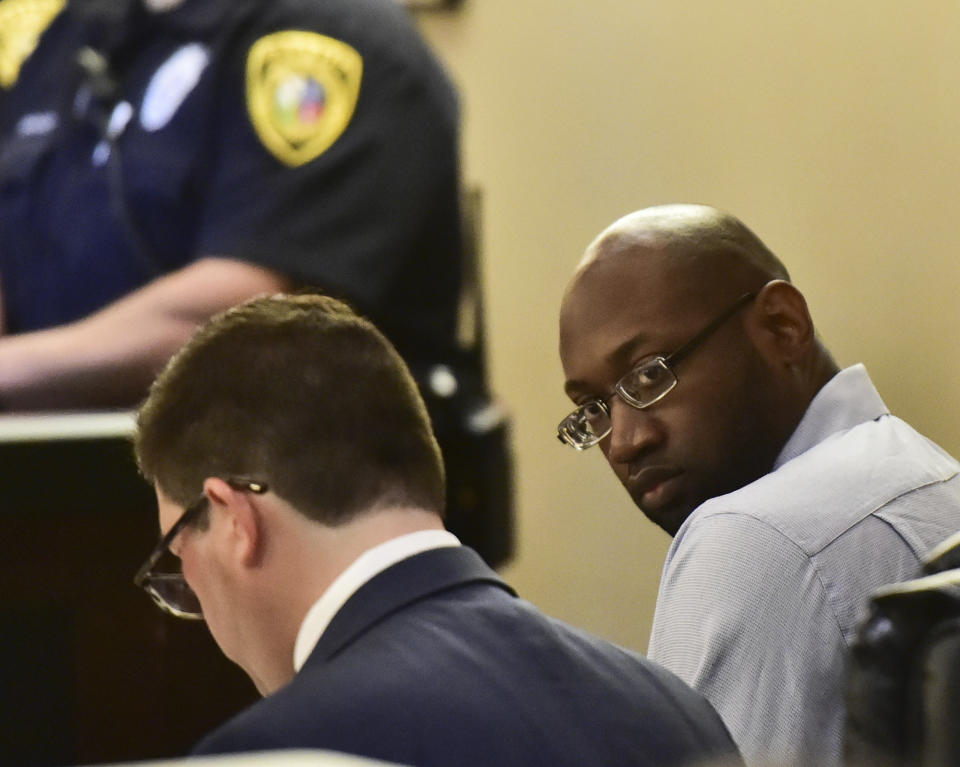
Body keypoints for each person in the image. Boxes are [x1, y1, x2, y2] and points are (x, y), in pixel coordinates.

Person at [132, 293, 743, 767]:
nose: (199, 611)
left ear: (236, 519)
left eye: (179, 563)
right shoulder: (675, 711)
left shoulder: (277, 752)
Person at [556, 203, 960, 767]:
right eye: (592, 409)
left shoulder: (754, 537)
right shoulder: (927, 473)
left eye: (650, 373)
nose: (623, 442)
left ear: (781, 326)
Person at [0, 0, 462, 410]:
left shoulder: (324, 37)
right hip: (57, 476)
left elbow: (247, 317)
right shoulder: (81, 30)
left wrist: (11, 370)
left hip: (279, 483)